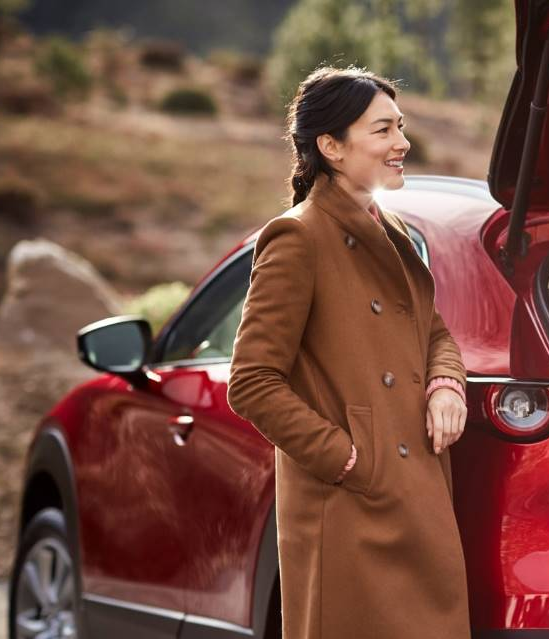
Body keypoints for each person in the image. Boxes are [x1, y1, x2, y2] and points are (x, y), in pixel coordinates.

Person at [227, 66, 471, 638]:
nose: (402, 143)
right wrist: (348, 459)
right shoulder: (297, 237)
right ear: (331, 146)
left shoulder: (394, 232)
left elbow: (433, 333)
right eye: (383, 130)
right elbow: (253, 381)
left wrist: (445, 385)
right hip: (349, 510)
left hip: (417, 497)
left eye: (400, 127)